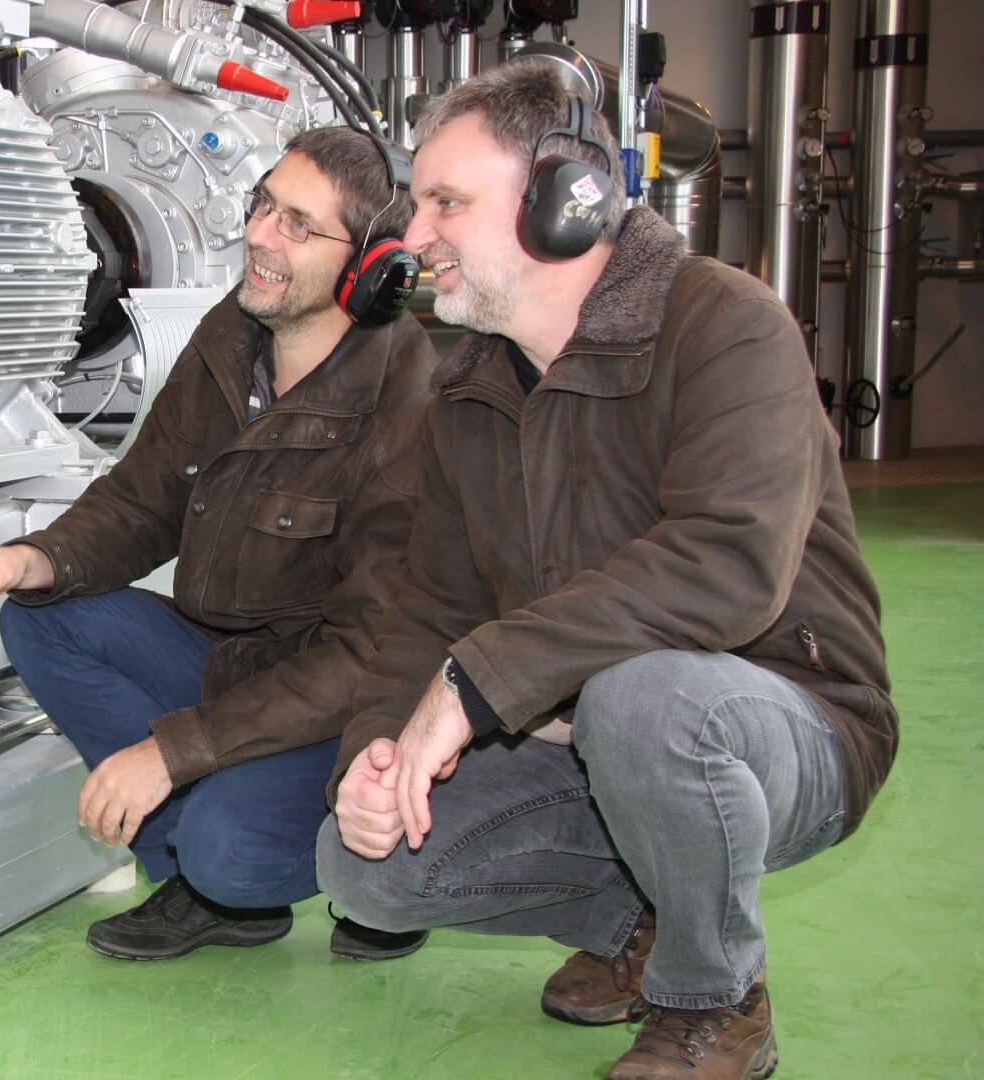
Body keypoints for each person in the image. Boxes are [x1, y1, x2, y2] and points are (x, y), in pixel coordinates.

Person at [315, 63, 896, 1080]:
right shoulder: (471, 392)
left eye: (446, 202)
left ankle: (714, 1000)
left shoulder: (725, 324)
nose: (414, 238)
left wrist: (475, 680)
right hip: (596, 737)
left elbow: (726, 567)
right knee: (364, 867)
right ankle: (649, 917)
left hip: (786, 722)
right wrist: (370, 752)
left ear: (562, 201)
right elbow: (430, 607)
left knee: (647, 696)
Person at [0, 125, 440, 961]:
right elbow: (144, 499)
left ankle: (359, 867)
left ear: (369, 270)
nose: (258, 235)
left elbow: (367, 653)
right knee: (42, 614)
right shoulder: (232, 334)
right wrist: (31, 557)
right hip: (235, 662)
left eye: (296, 225)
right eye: (262, 207)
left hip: (346, 704)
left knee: (230, 851)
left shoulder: (407, 404)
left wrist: (170, 752)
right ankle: (200, 881)